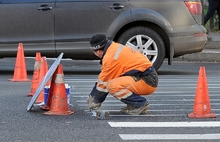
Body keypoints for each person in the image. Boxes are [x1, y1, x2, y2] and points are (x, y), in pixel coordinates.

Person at [87, 34, 158, 115]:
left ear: (98, 51)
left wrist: (95, 100)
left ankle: (139, 104)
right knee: (116, 80)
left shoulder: (111, 58)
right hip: (146, 76)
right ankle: (133, 104)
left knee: (112, 85)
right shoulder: (113, 47)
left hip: (147, 80)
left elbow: (103, 82)